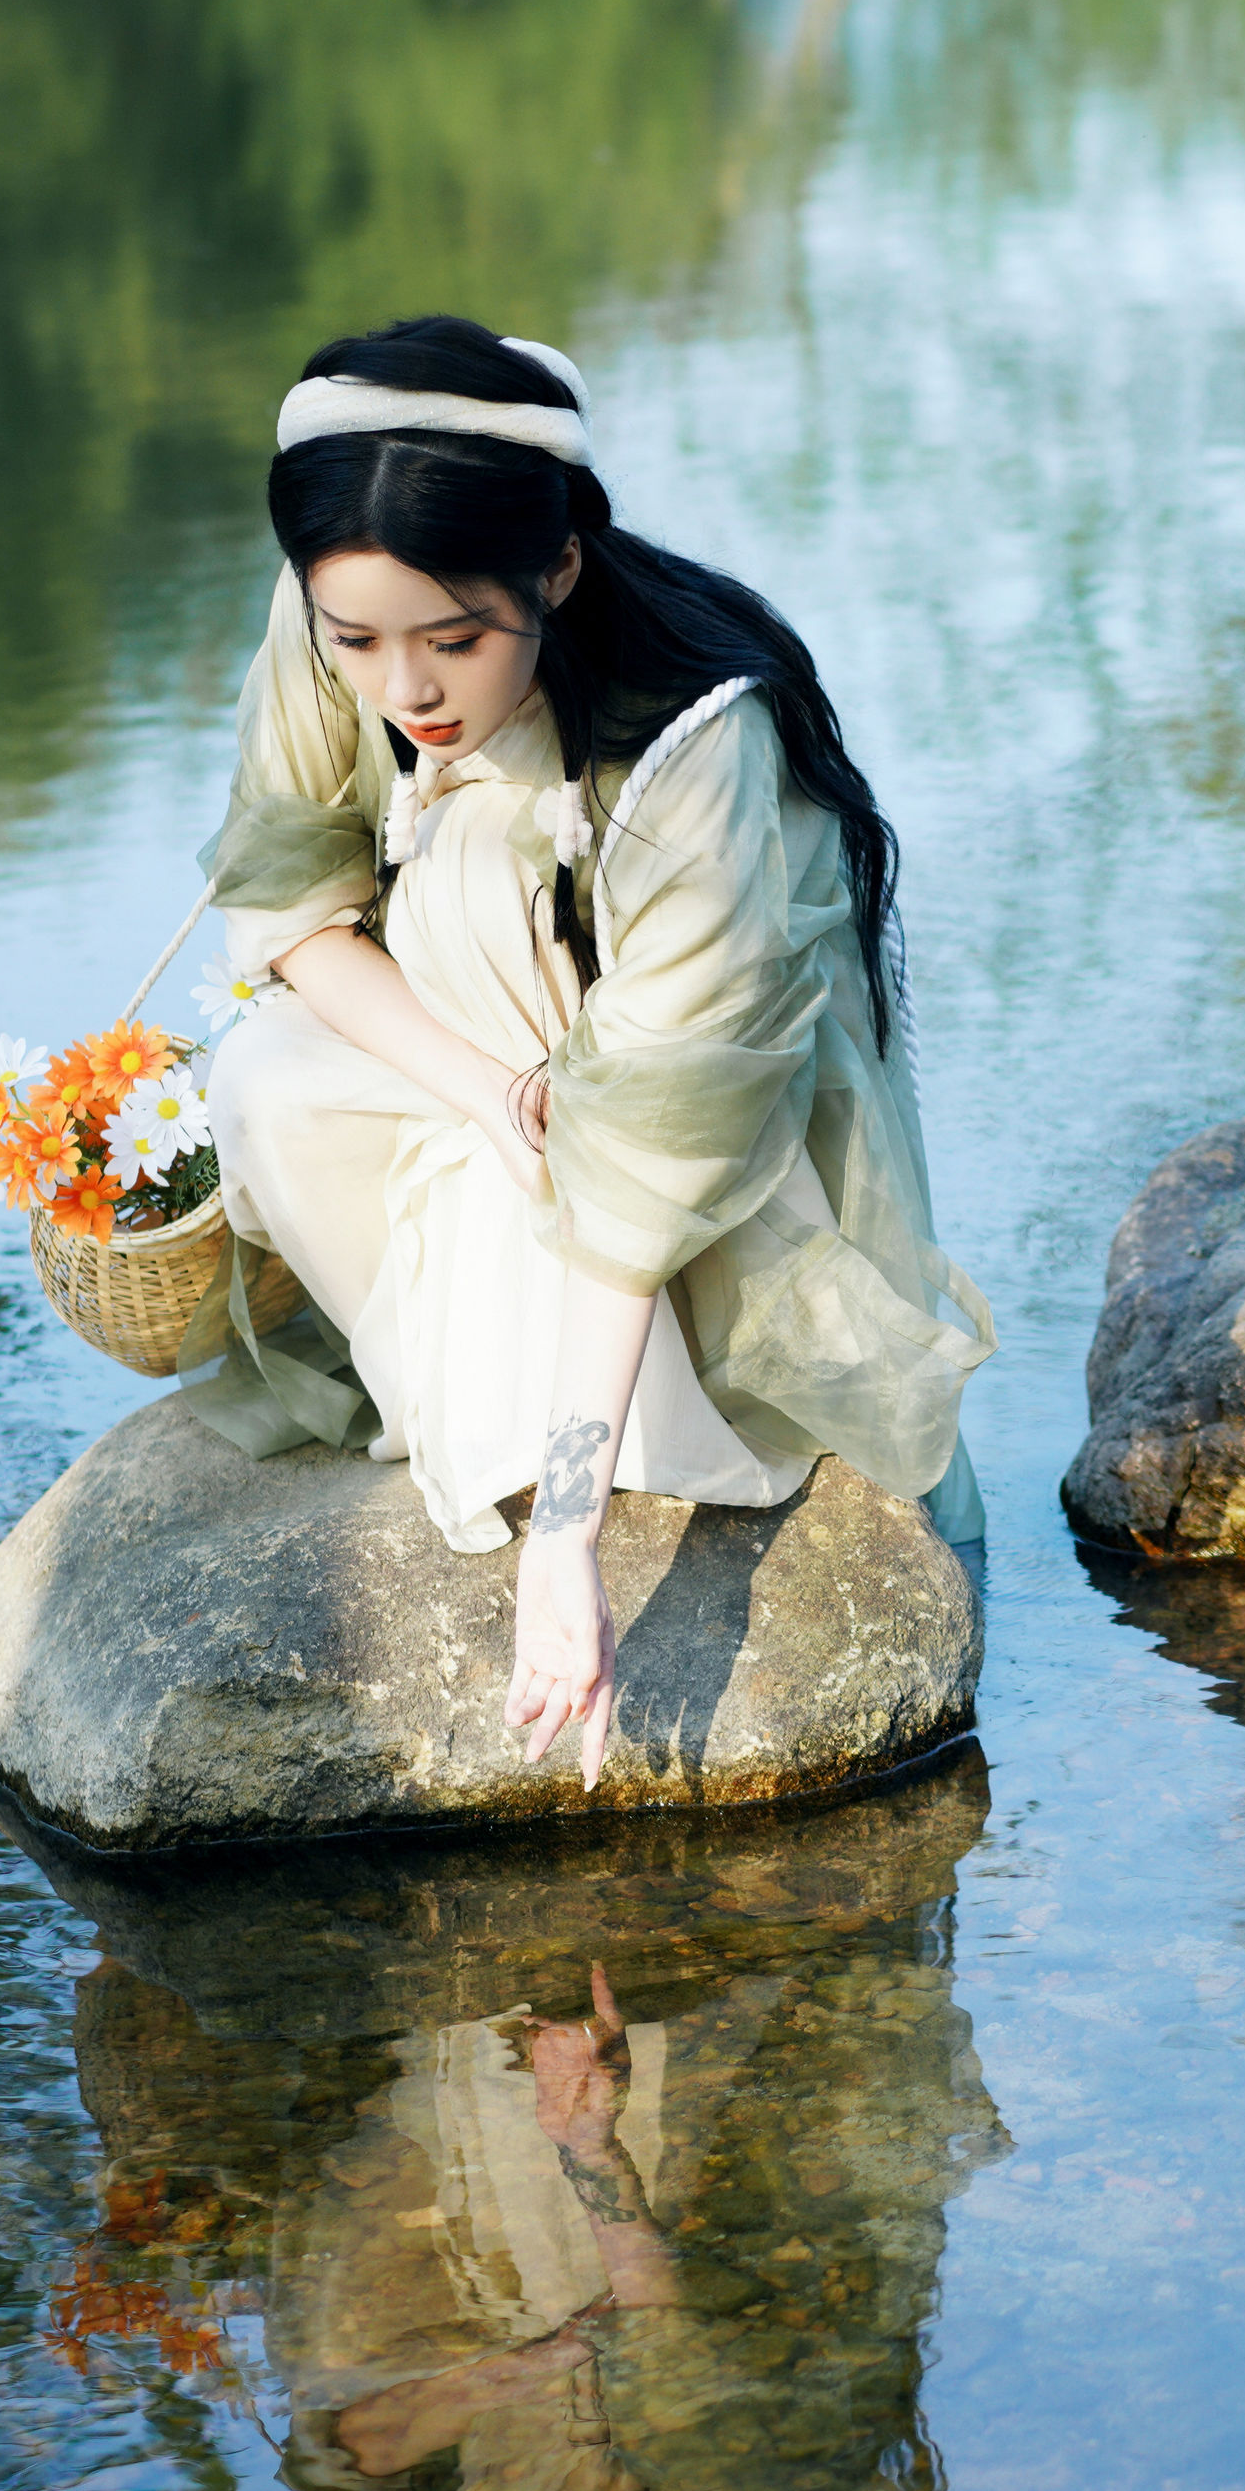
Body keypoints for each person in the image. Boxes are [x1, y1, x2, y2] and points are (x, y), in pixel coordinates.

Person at [193, 315, 990, 1784]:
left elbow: (649, 1152)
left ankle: (586, 1437)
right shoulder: (340, 622)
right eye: (356, 640)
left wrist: (565, 1543)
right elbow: (288, 908)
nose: (405, 691)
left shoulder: (693, 747)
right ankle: (451, 1377)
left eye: (456, 641)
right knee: (264, 1078)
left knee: (503, 903)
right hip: (513, 1088)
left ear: (555, 570)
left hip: (684, 1156)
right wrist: (487, 1093)